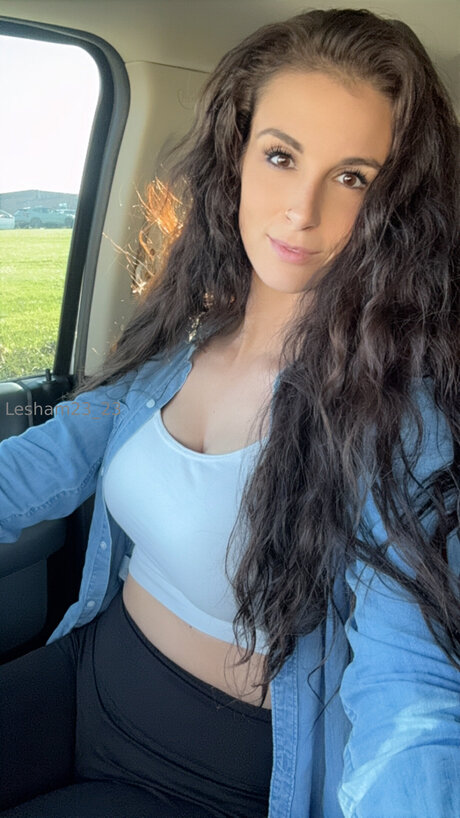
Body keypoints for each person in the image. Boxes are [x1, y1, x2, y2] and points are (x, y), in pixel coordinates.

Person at [0, 7, 459, 817]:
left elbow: (411, 693)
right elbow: (49, 458)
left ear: (396, 205)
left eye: (353, 177)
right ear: (237, 155)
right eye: (282, 156)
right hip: (87, 669)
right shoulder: (184, 340)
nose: (302, 210)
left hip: (209, 776)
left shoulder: (400, 419)